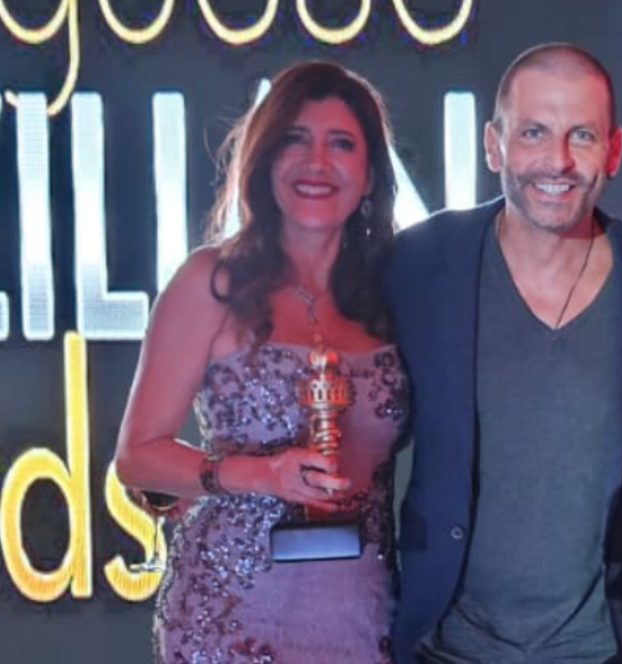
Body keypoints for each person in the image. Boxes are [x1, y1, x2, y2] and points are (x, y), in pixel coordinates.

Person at [384, 43, 622, 664]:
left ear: (614, 150)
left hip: (606, 647)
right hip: (445, 646)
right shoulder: (419, 263)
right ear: (494, 144)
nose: (558, 161)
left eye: (582, 135)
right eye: (534, 132)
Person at [113, 61, 408, 663]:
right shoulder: (212, 281)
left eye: (341, 144)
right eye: (295, 140)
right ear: (265, 161)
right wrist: (262, 474)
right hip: (230, 611)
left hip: (362, 608)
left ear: (371, 175)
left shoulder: (396, 294)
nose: (316, 163)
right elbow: (137, 457)